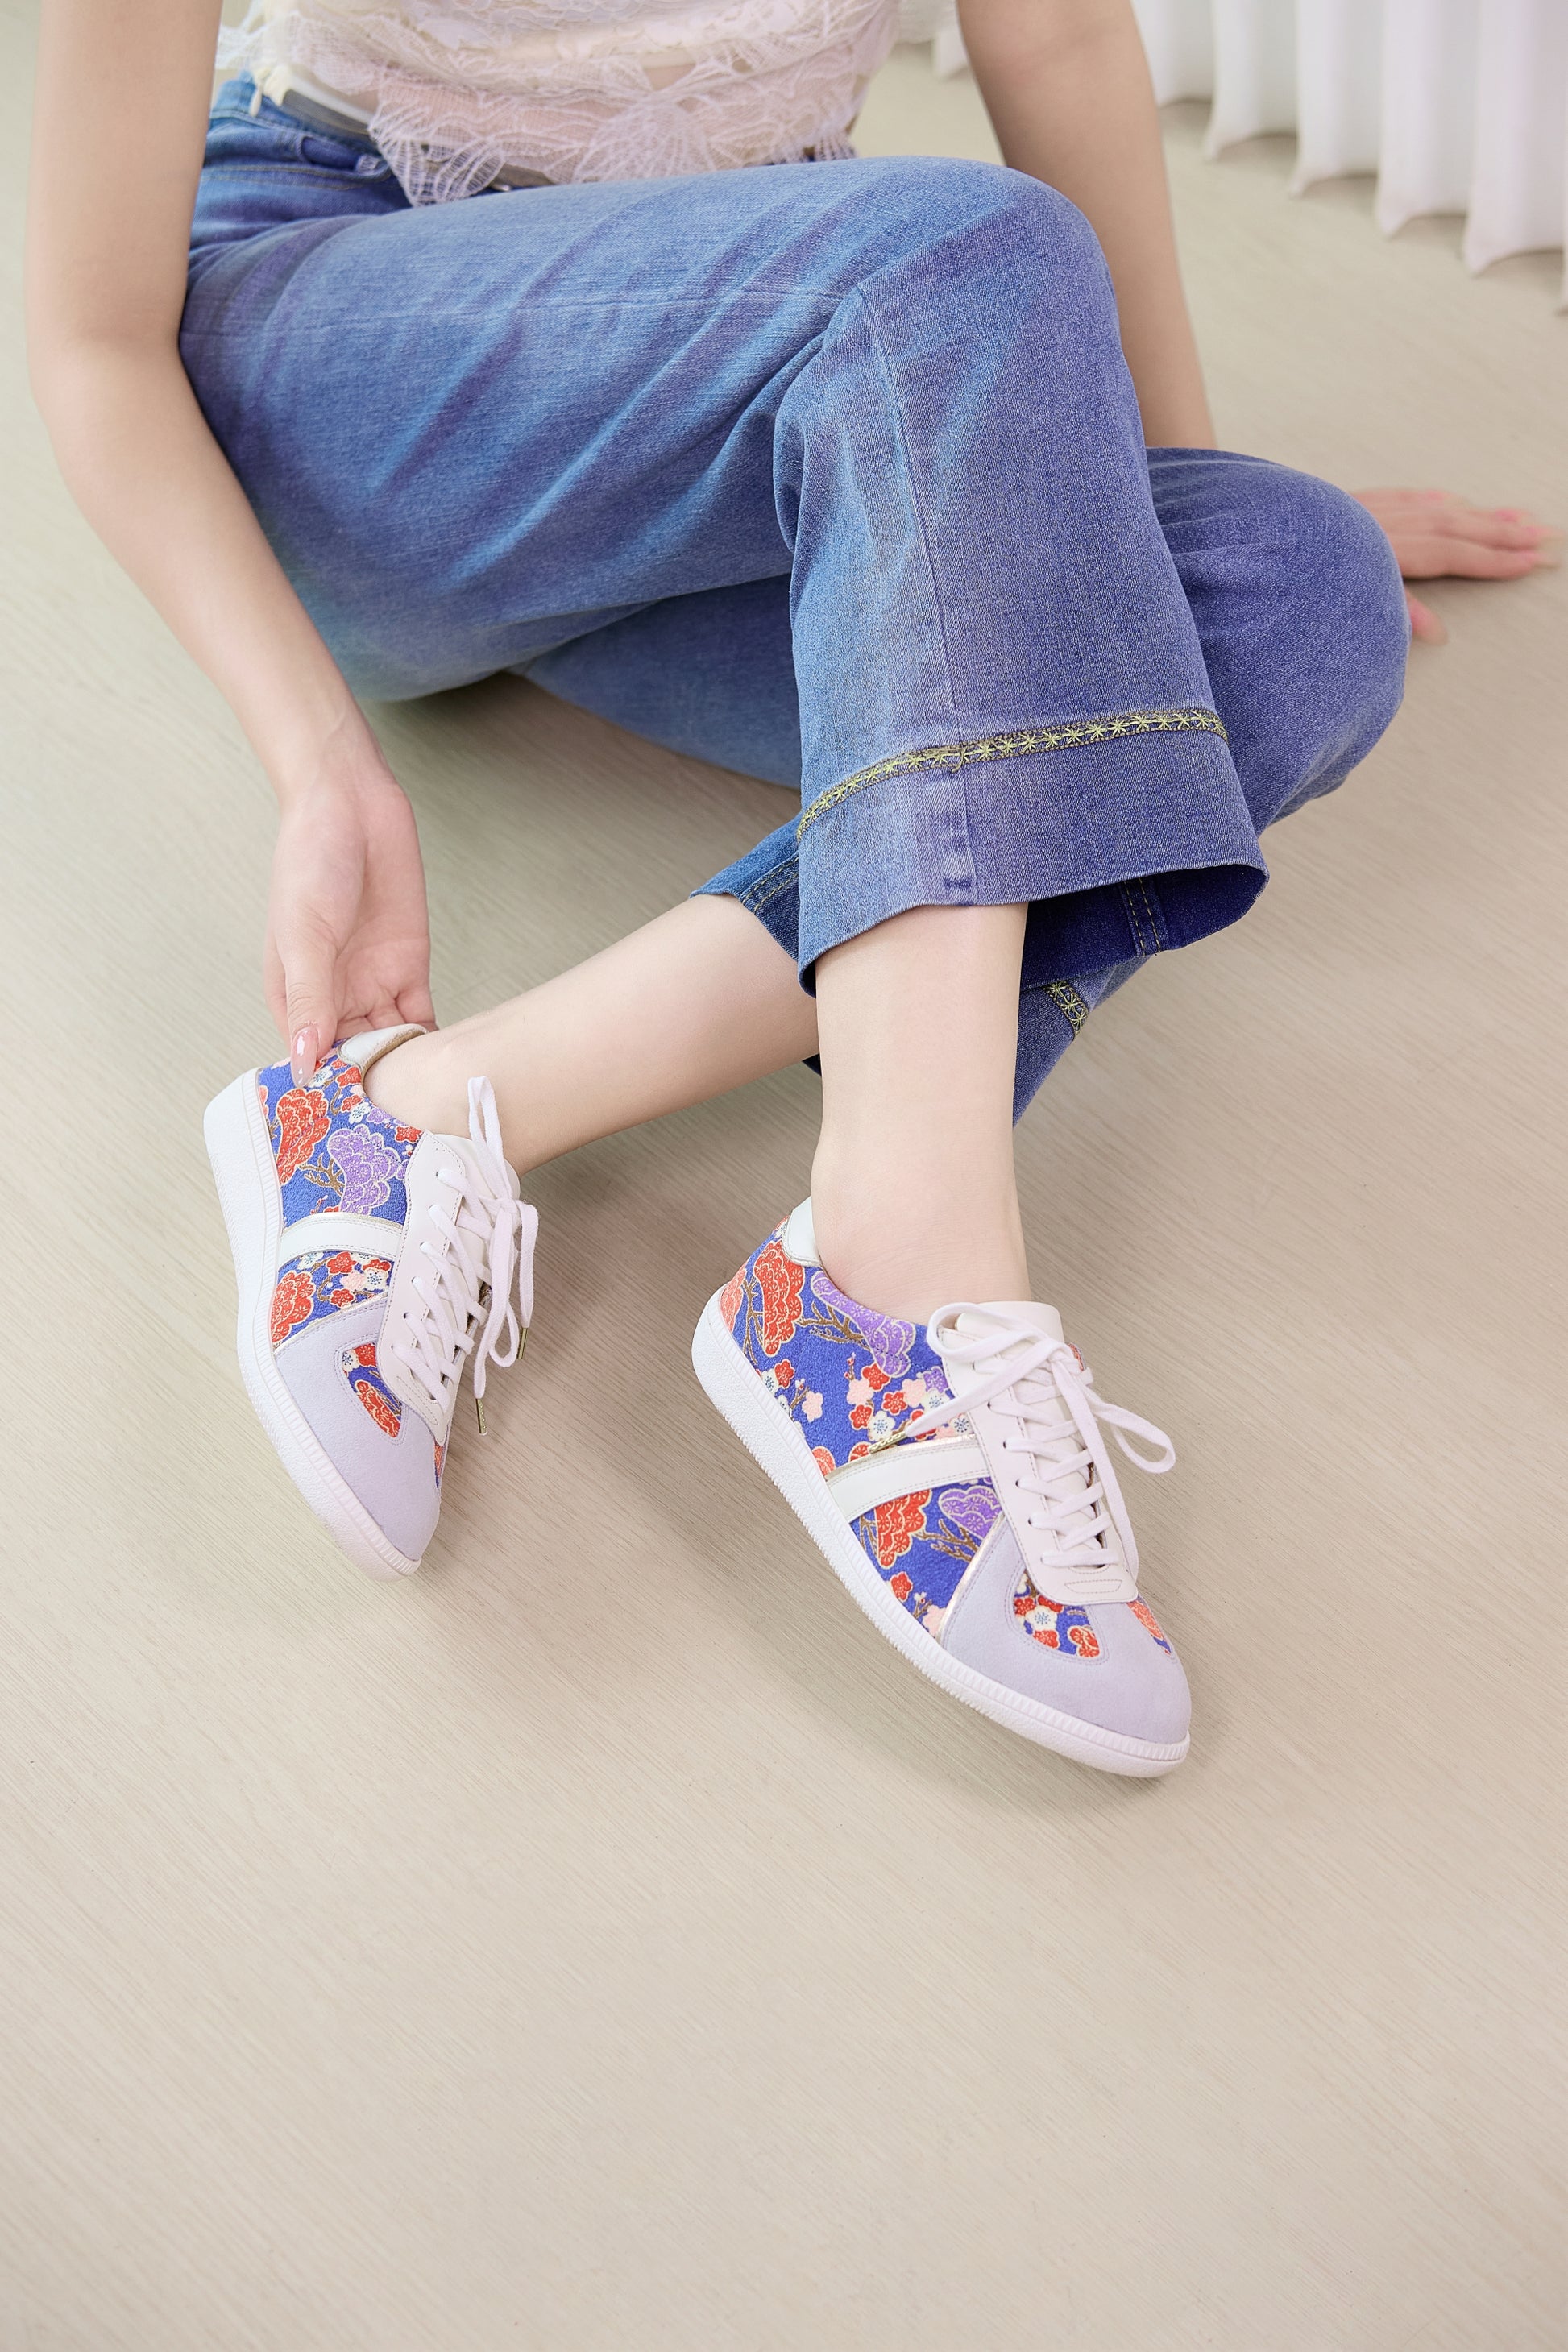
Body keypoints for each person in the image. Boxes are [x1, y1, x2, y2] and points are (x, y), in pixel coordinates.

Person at [27, 0, 1559, 1776]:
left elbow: (1060, 40)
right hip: (364, 398)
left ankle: (420, 1115)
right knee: (959, 258)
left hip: (756, 384)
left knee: (1297, 599)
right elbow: (91, 339)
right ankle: (895, 1275)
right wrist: (318, 763)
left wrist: (1150, 518)